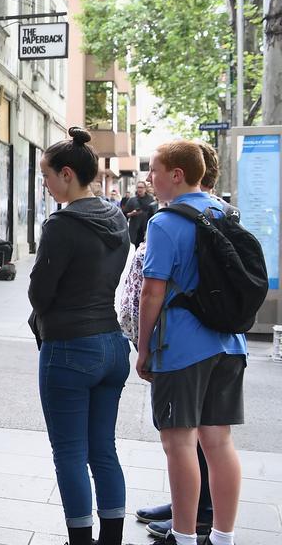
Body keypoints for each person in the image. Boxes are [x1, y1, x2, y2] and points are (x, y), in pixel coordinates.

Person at [138, 140, 248, 545]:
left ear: (177, 175)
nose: (150, 178)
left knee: (179, 442)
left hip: (182, 346)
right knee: (218, 441)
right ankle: (222, 537)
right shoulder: (227, 212)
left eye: (155, 170)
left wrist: (144, 346)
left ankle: (182, 537)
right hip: (230, 344)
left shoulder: (164, 223)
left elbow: (152, 292)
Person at [28, 128, 131, 545]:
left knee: (69, 452)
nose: (46, 185)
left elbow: (39, 292)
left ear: (67, 174)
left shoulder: (62, 224)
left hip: (70, 347)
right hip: (111, 345)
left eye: (48, 176)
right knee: (102, 450)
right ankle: (111, 539)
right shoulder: (116, 217)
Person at [123, 181, 159, 247]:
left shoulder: (151, 200)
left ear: (145, 188)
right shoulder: (132, 200)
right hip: (136, 230)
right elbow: (125, 214)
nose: (140, 189)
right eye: (138, 187)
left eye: (141, 187)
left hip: (147, 229)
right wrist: (132, 213)